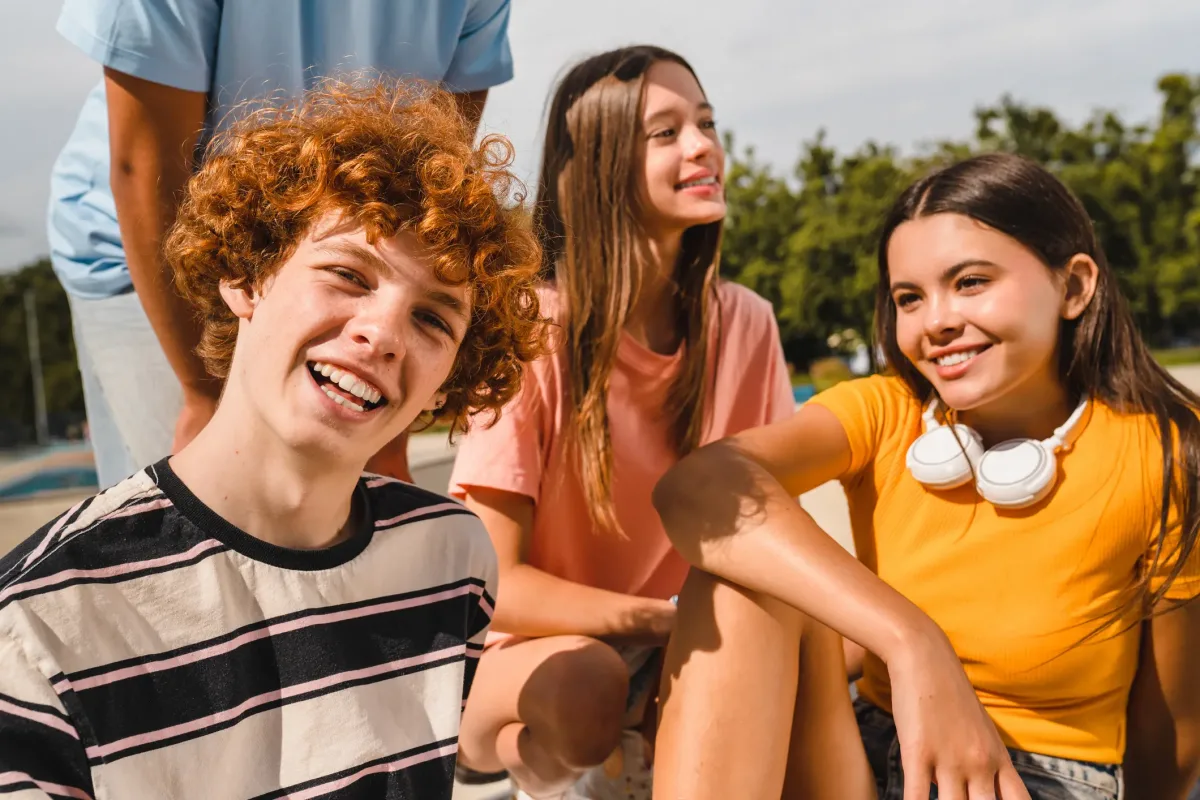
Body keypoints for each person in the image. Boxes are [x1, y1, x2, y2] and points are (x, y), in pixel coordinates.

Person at [1, 78, 545, 799]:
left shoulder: (452, 558)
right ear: (246, 275)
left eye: (432, 319)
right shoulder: (38, 627)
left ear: (448, 382)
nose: (382, 333)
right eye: (348, 274)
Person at [651, 153, 1200, 800]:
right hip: (861, 748)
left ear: (1075, 286)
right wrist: (911, 640)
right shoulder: (886, 413)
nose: (936, 321)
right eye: (909, 298)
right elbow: (696, 488)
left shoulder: (1162, 451)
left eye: (970, 282)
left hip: (1038, 777)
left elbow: (1172, 738)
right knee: (736, 584)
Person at [446, 45, 796, 799]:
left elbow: (777, 534)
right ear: (597, 166)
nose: (703, 146)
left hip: (677, 639)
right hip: (543, 654)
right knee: (590, 683)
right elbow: (493, 583)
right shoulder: (534, 329)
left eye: (706, 124)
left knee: (813, 647)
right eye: (665, 133)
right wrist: (657, 621)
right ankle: (506, 765)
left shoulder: (746, 324)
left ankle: (642, 748)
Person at [47, 0, 515, 489]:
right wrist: (203, 392)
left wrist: (389, 435)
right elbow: (147, 165)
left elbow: (433, 173)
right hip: (155, 249)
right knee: (192, 506)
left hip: (354, 260)